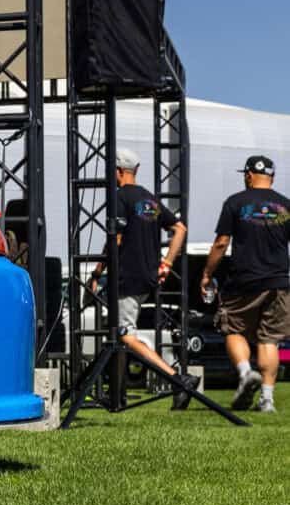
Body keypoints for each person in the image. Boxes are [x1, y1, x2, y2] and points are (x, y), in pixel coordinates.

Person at [90, 147, 196, 409]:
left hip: (127, 275)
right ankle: (118, 393)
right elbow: (179, 228)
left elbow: (115, 239)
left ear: (117, 171)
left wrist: (98, 271)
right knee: (121, 334)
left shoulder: (120, 197)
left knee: (125, 334)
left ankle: (178, 379)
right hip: (147, 276)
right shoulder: (150, 199)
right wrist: (166, 263)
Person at [201, 155, 288, 413]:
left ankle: (246, 372)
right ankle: (267, 399)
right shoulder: (286, 205)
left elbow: (221, 243)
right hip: (279, 282)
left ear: (249, 175)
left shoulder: (235, 202)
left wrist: (207, 273)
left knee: (232, 327)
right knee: (269, 338)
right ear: (272, 176)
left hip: (244, 280)